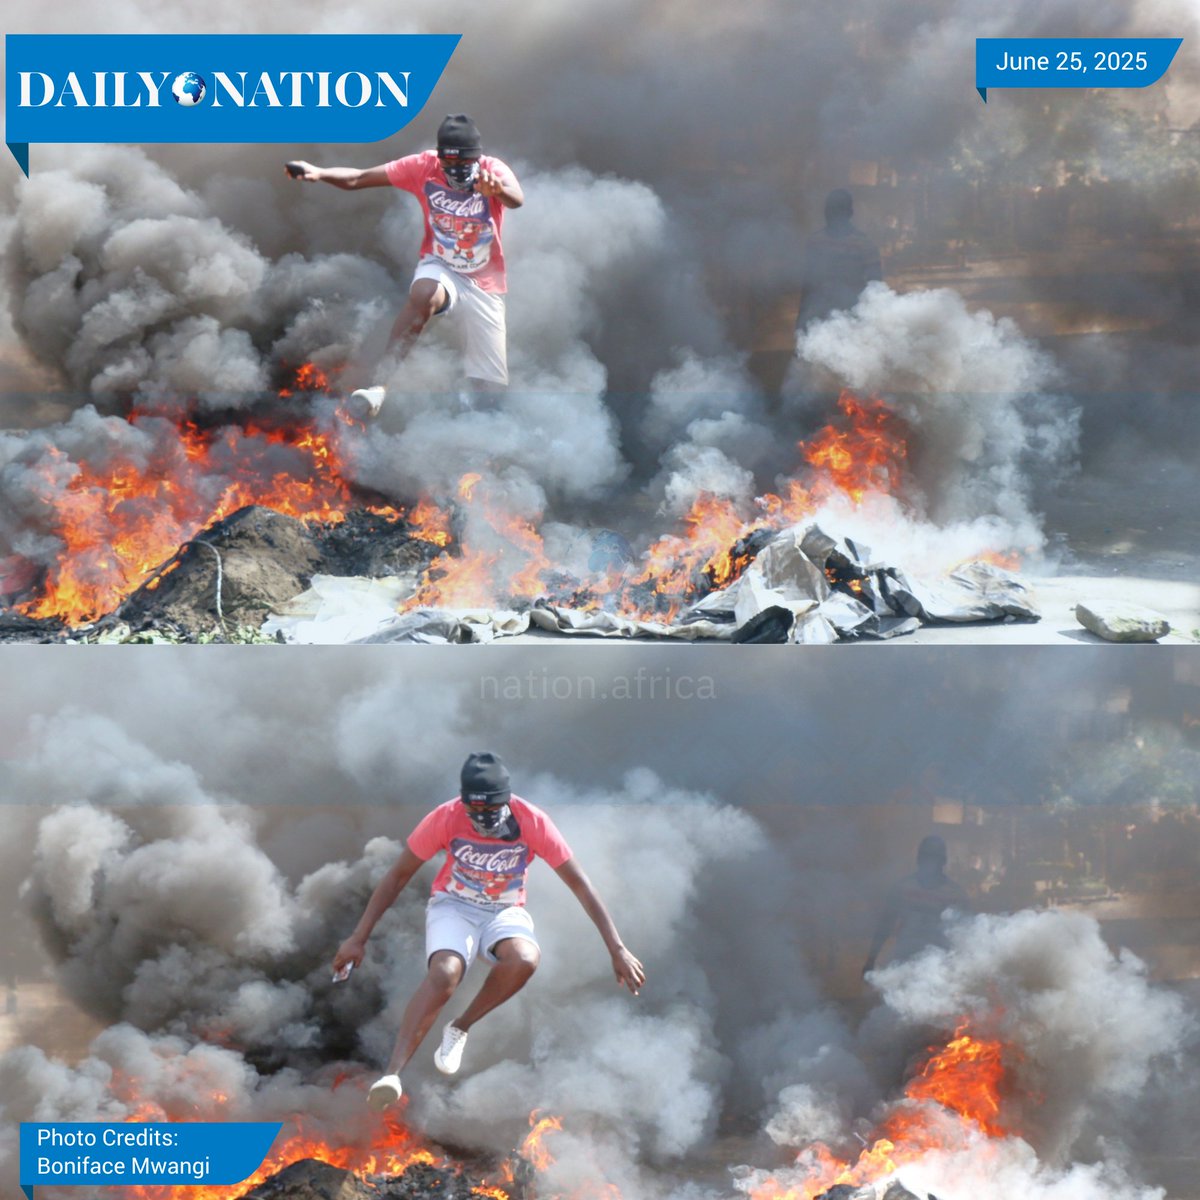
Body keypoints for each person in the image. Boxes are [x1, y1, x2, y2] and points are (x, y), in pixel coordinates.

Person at [332, 751, 645, 1110]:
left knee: (525, 958)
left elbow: (580, 884)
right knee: (445, 973)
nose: (482, 820)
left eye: (490, 812)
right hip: (454, 906)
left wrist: (616, 948)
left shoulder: (533, 822)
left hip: (503, 910)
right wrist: (358, 938)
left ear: (507, 801)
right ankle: (392, 1075)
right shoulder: (445, 818)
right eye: (474, 812)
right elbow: (397, 877)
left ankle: (460, 1028)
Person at [286, 114, 523, 414]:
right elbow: (359, 178)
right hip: (441, 265)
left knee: (490, 392)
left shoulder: (492, 170)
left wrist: (498, 191)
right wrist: (318, 173)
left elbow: (517, 199)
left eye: (463, 165)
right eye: (449, 165)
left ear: (476, 159)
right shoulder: (423, 167)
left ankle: (478, 443)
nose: (455, 172)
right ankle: (378, 388)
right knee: (425, 294)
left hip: (483, 283)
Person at [862, 834, 971, 976]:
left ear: (942, 861)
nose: (930, 863)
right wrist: (871, 959)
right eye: (927, 857)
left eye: (934, 858)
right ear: (919, 859)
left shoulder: (955, 893)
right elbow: (885, 925)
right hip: (905, 958)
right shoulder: (903, 887)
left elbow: (967, 933)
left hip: (939, 963)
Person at [795, 188, 883, 331]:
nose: (832, 214)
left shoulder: (864, 244)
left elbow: (875, 284)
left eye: (837, 210)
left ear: (849, 213)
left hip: (852, 312)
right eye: (830, 210)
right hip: (821, 312)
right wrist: (802, 317)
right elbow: (808, 283)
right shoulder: (815, 241)